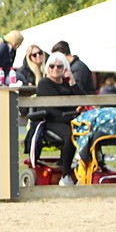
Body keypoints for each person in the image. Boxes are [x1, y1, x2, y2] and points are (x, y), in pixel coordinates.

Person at [35, 51, 87, 186]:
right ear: (47, 67)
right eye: (52, 66)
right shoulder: (44, 83)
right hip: (52, 121)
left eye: (59, 66)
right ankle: (65, 174)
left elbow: (84, 99)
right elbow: (51, 111)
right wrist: (71, 115)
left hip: (71, 120)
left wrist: (73, 82)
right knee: (70, 135)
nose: (55, 69)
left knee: (89, 131)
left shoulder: (67, 83)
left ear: (65, 68)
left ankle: (87, 168)